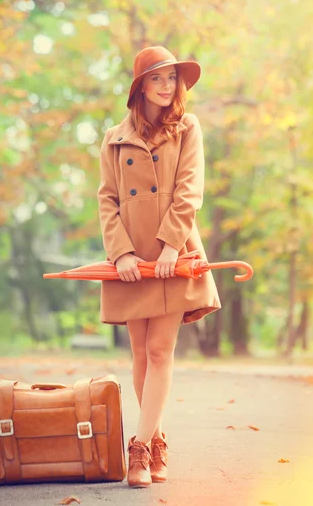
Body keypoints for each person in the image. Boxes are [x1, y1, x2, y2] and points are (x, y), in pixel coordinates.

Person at [97, 46, 221, 488]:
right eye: (158, 78)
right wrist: (122, 253)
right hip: (131, 255)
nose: (168, 86)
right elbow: (107, 199)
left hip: (174, 251)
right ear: (140, 87)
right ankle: (159, 438)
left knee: (158, 350)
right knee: (138, 353)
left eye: (173, 78)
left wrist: (172, 247)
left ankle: (140, 447)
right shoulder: (114, 137)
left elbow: (190, 189)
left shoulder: (187, 127)